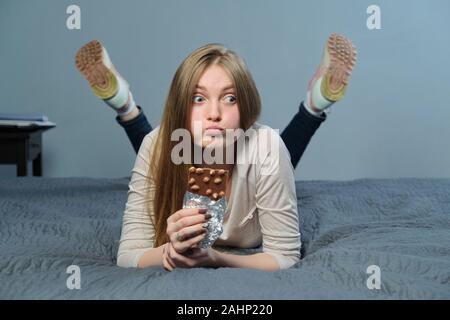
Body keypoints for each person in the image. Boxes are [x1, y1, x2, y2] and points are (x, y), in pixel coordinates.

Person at [75, 35, 357, 271]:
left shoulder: (266, 145)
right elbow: (129, 256)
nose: (214, 114)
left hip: (257, 149)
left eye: (230, 98)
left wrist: (216, 258)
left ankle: (314, 105)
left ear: (245, 107)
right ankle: (125, 105)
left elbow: (284, 255)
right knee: (161, 147)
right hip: (170, 141)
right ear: (180, 105)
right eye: (198, 99)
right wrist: (167, 252)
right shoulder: (157, 143)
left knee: (270, 148)